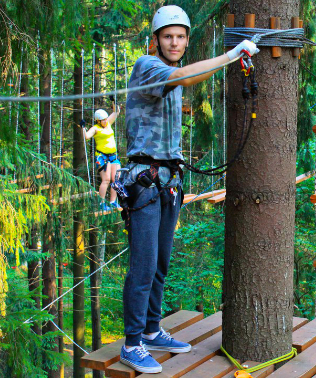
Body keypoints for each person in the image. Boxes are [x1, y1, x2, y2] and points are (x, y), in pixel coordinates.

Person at [116, 5, 259, 374]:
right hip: (145, 182)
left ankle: (150, 329)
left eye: (180, 36)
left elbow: (182, 76)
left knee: (160, 263)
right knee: (143, 265)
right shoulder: (148, 67)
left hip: (168, 181)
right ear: (155, 40)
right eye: (168, 36)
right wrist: (231, 55)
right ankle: (132, 344)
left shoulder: (174, 75)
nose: (175, 42)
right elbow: (182, 75)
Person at [83, 103, 121, 211]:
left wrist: (114, 102)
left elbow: (116, 112)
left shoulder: (108, 123)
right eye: (103, 120)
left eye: (105, 119)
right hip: (102, 156)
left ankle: (113, 202)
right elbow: (86, 136)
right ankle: (102, 203)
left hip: (113, 156)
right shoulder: (95, 128)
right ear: (98, 121)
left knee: (116, 179)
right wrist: (83, 128)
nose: (105, 121)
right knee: (106, 179)